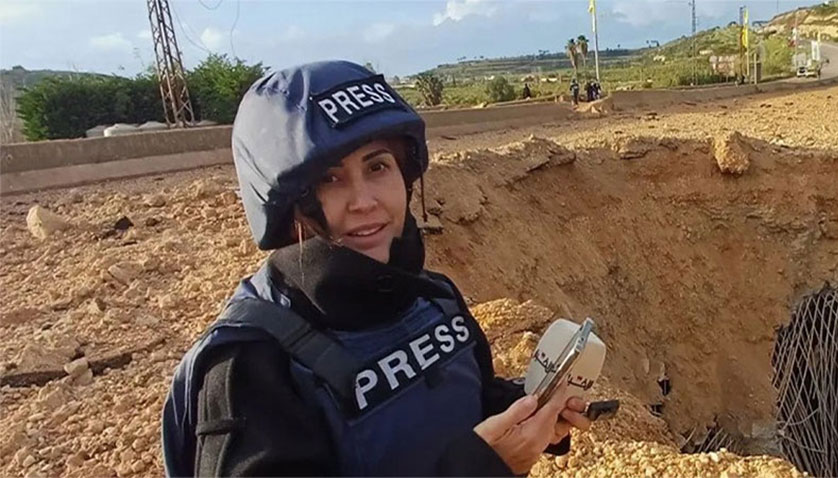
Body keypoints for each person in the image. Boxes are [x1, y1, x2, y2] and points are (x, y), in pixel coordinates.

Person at [161, 60, 591, 477]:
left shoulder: (435, 300)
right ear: (288, 202)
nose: (364, 201)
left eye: (378, 166)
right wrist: (484, 467)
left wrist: (527, 412)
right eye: (330, 179)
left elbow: (465, 402)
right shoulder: (252, 364)